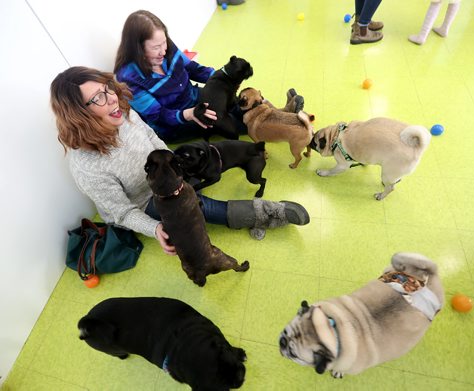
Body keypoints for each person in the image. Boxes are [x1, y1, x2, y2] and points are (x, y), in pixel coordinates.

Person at [50, 66, 310, 254]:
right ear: (78, 114)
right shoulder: (87, 166)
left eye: (108, 89)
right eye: (98, 98)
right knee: (199, 206)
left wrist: (175, 166)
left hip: (165, 172)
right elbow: (122, 212)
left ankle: (282, 116)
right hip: (144, 201)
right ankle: (266, 213)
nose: (112, 98)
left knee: (212, 154)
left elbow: (152, 138)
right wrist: (154, 230)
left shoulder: (123, 114)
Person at [114, 10, 304, 144]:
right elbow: (159, 115)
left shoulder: (168, 49)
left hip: (196, 97)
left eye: (164, 43)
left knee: (242, 103)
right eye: (156, 47)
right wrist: (188, 114)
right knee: (243, 122)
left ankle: (283, 112)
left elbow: (194, 69)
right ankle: (285, 123)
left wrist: (223, 78)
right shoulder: (128, 78)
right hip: (176, 120)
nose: (164, 50)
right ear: (137, 47)